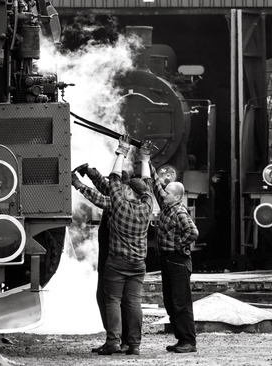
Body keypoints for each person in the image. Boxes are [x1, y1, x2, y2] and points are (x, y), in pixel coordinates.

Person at [97, 134, 152, 356]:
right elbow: (147, 183)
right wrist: (145, 159)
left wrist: (122, 150)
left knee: (112, 300)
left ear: (129, 192)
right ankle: (135, 344)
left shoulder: (119, 205)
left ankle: (113, 342)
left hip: (117, 264)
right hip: (138, 264)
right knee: (133, 303)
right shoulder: (147, 206)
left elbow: (113, 178)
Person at [70, 164, 129, 353]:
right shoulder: (122, 197)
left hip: (114, 259)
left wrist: (77, 183)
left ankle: (120, 339)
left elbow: (98, 197)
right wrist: (92, 174)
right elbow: (106, 188)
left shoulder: (121, 204)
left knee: (111, 299)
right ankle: (118, 338)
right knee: (108, 298)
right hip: (110, 257)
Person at [149, 159, 199, 353]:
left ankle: (188, 341)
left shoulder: (178, 211)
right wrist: (148, 162)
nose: (164, 194)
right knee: (171, 302)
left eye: (168, 192)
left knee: (181, 302)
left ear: (177, 196)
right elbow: (156, 187)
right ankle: (181, 339)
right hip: (168, 260)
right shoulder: (167, 206)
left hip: (178, 261)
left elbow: (193, 232)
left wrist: (178, 245)